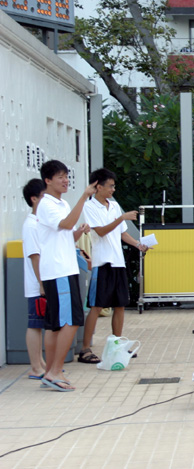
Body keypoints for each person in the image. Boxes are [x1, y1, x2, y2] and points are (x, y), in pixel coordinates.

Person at [37, 160, 95, 391]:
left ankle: (51, 371)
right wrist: (84, 197)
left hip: (63, 268)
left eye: (66, 176)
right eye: (60, 177)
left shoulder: (61, 203)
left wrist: (78, 232)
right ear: (47, 180)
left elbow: (65, 235)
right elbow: (66, 223)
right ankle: (55, 371)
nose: (65, 180)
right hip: (59, 270)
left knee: (55, 325)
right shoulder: (47, 204)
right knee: (71, 321)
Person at [80, 168, 148, 364]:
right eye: (110, 186)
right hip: (102, 262)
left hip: (118, 262)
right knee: (96, 306)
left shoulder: (114, 206)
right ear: (98, 186)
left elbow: (122, 233)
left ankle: (116, 345)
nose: (113, 189)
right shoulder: (89, 207)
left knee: (120, 305)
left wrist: (138, 244)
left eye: (114, 186)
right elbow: (101, 232)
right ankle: (85, 349)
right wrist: (121, 218)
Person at [22, 178, 47, 379]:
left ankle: (41, 364)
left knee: (40, 325)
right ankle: (35, 367)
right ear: (34, 199)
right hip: (37, 284)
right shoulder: (30, 225)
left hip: (42, 282)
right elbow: (34, 256)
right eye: (44, 196)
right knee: (35, 324)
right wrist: (41, 283)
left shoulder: (40, 223)